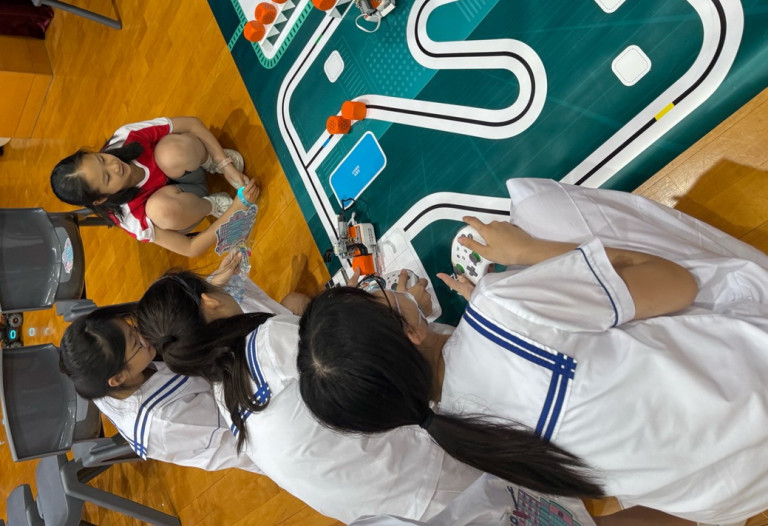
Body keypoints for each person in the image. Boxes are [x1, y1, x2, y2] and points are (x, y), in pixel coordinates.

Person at [297, 177, 768, 525]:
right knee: (538, 206)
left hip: (735, 492)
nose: (382, 287)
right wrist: (525, 253)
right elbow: (676, 283)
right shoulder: (499, 307)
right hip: (754, 383)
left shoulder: (466, 443)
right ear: (410, 332)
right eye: (376, 293)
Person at [134, 271, 483, 524]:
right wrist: (406, 303)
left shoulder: (227, 399)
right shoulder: (269, 341)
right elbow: (382, 344)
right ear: (210, 300)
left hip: (384, 512)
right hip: (435, 477)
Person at [58, 253, 305, 471]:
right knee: (294, 317)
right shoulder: (164, 421)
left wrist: (206, 294)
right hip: (264, 427)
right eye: (135, 342)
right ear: (119, 377)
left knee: (292, 308)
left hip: (233, 377)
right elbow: (244, 427)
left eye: (131, 327)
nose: (143, 336)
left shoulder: (99, 376)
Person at [50, 116, 260, 256]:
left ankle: (209, 161)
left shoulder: (126, 137)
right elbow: (190, 248)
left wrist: (225, 164)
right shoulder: (130, 218)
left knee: (170, 152)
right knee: (159, 210)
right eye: (107, 178)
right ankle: (212, 204)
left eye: (101, 159)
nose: (114, 166)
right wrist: (236, 209)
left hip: (188, 169)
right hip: (186, 204)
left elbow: (191, 124)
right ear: (101, 199)